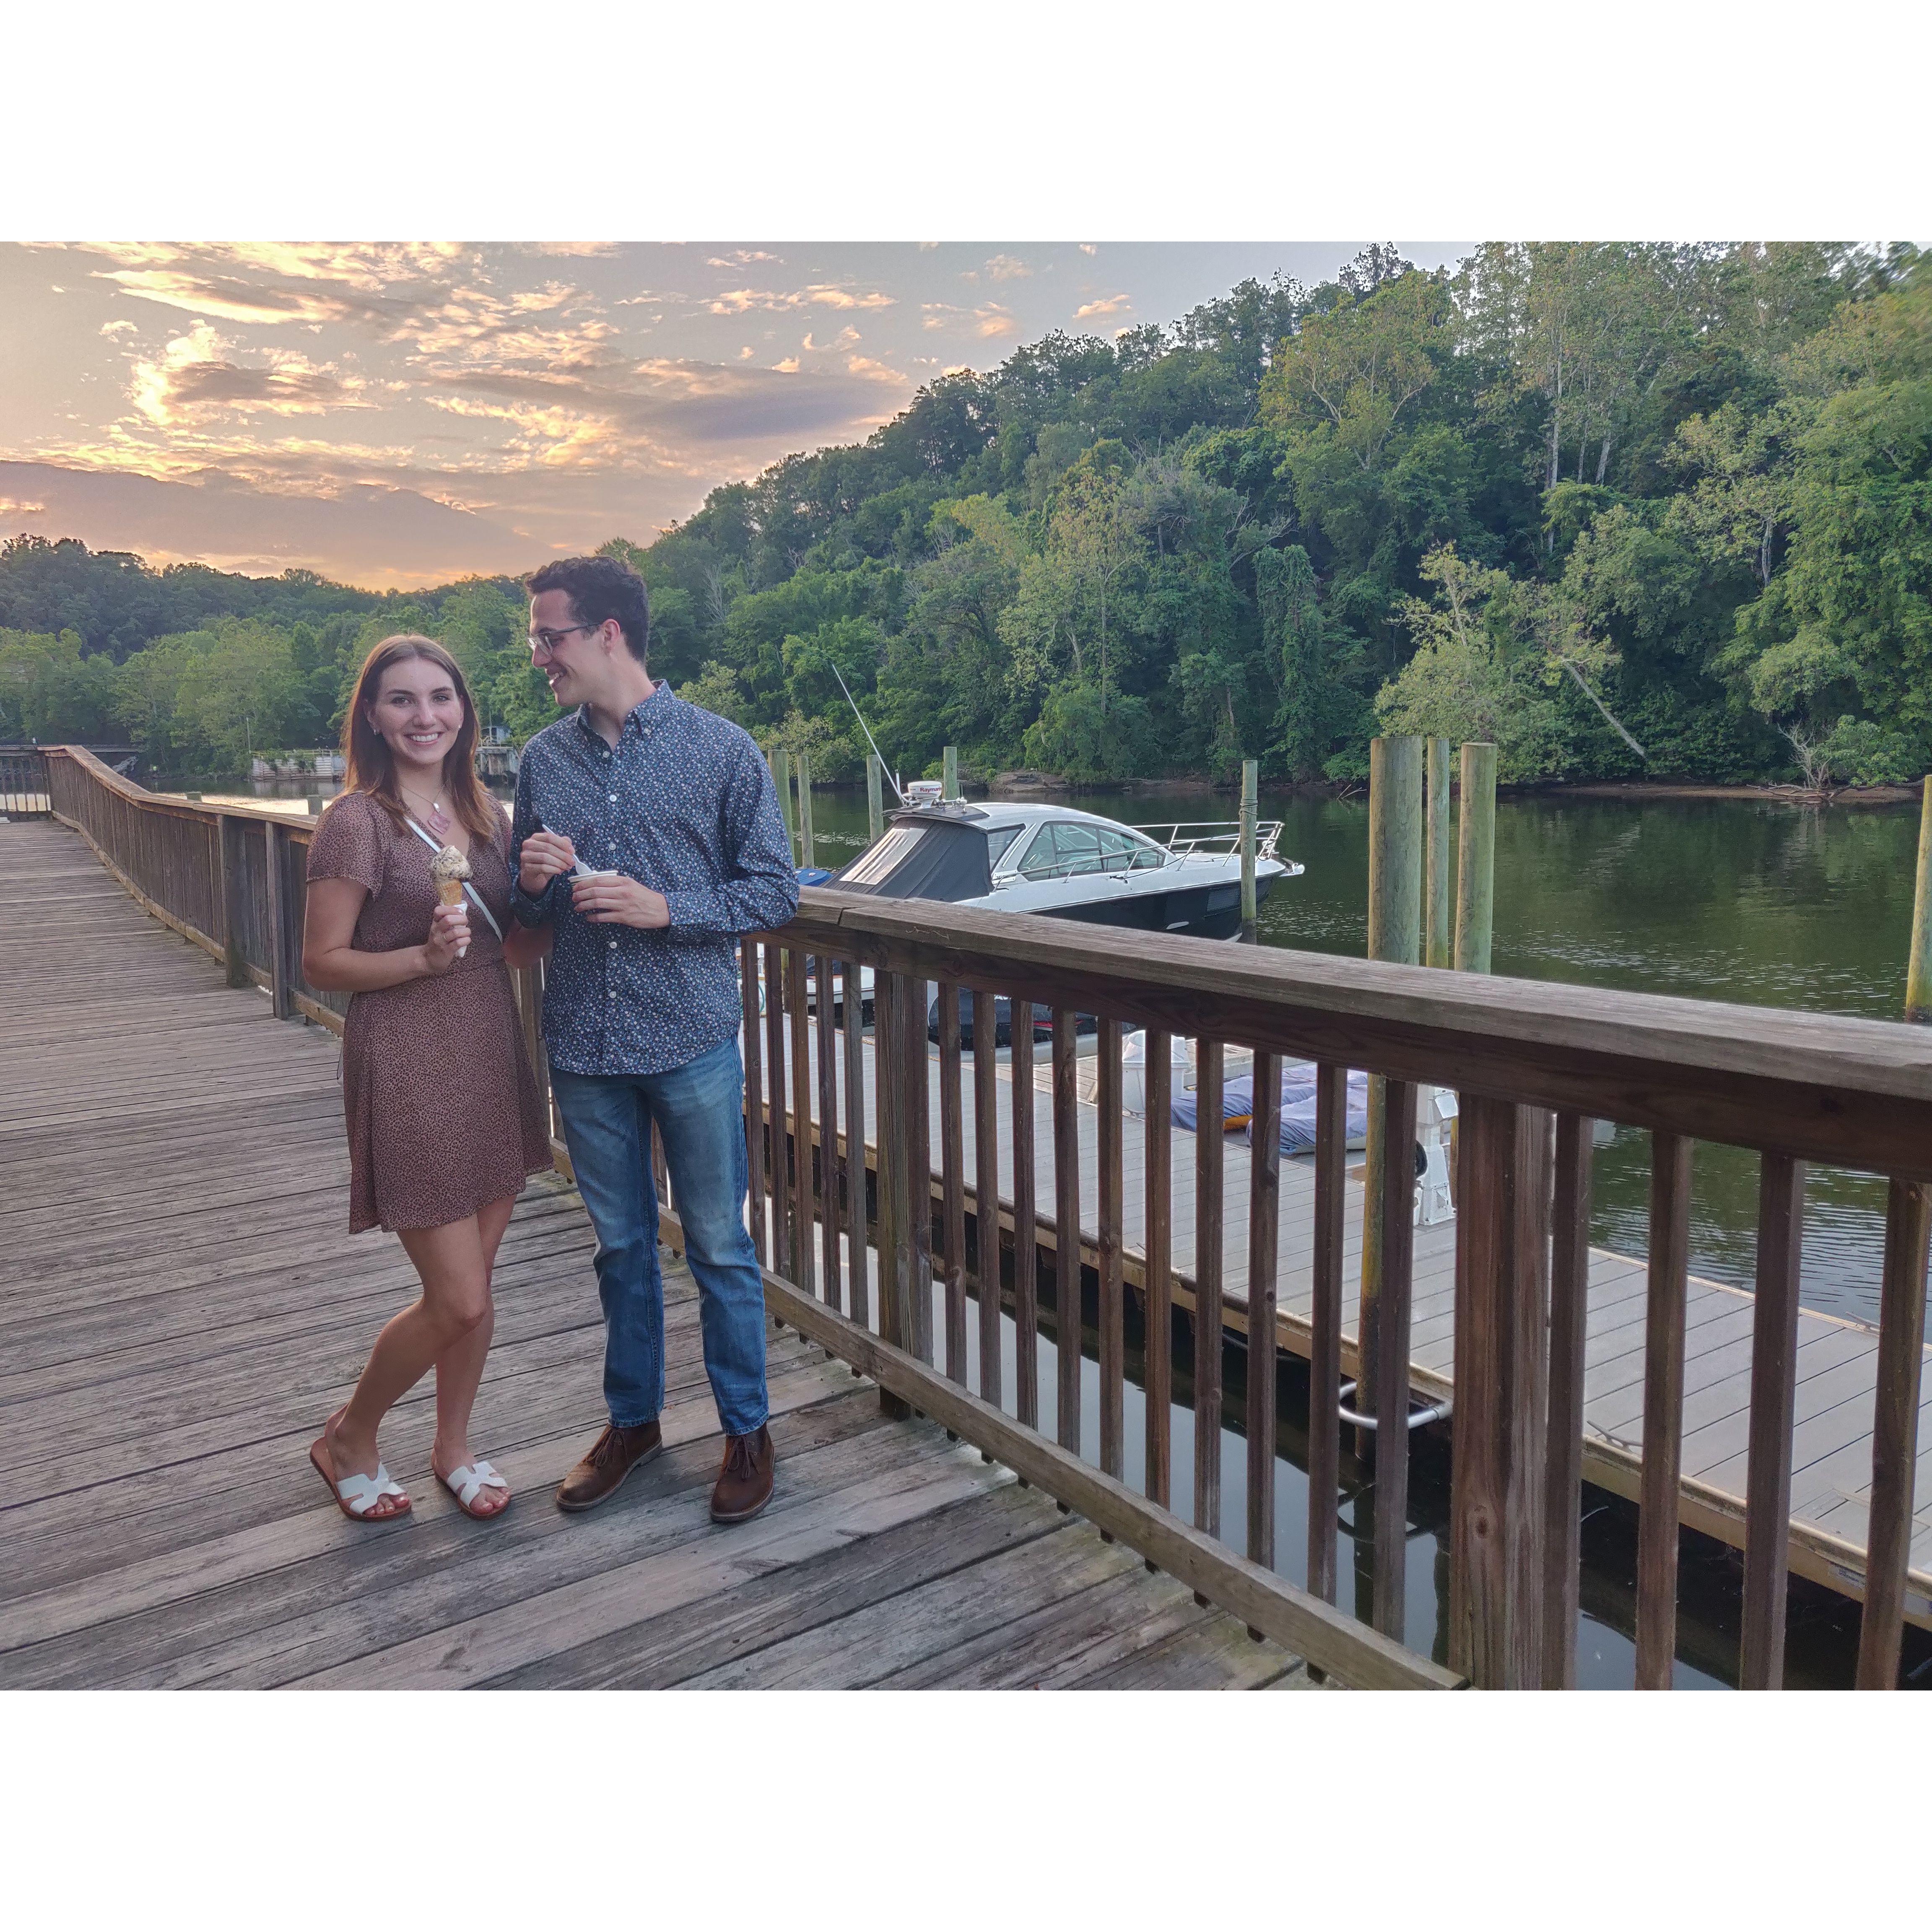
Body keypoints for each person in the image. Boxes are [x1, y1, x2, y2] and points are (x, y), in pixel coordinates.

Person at [509, 554, 797, 1524]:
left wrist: (663, 907)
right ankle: (633, 1423)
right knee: (620, 1247)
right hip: (586, 1047)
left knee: (719, 1246)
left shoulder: (724, 750)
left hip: (692, 1041)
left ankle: (748, 1431)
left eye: (549, 636)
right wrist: (537, 879)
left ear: (608, 635)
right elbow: (520, 903)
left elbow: (773, 891)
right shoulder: (544, 761)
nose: (538, 655)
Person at [301, 635, 553, 1523]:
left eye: (440, 698)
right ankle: (350, 1436)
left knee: (476, 1279)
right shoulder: (357, 822)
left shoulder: (486, 813)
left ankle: (454, 1444)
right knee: (459, 1295)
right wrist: (416, 958)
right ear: (373, 716)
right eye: (402, 700)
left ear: (463, 711)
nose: (425, 716)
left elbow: (515, 950)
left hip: (488, 1046)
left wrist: (553, 896)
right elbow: (321, 963)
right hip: (405, 1053)